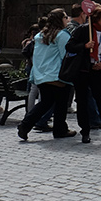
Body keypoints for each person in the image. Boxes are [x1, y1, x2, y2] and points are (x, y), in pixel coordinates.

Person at [17, 9, 76, 141]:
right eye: (65, 17)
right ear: (60, 20)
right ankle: (59, 129)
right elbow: (65, 55)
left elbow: (36, 56)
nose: (68, 19)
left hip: (41, 74)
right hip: (57, 74)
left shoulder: (39, 36)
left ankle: (27, 125)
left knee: (46, 102)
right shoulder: (62, 35)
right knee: (60, 103)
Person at [65, 4, 101, 143]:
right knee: (82, 102)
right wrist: (85, 46)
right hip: (83, 70)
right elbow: (69, 46)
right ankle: (85, 132)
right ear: (96, 17)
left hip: (98, 70)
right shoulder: (83, 30)